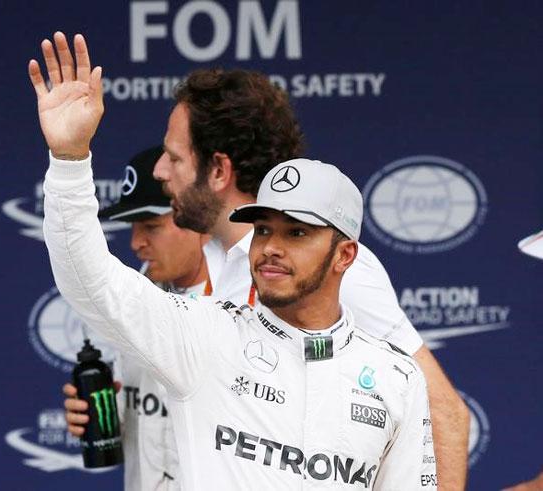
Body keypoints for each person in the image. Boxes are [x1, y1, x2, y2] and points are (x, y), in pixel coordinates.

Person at [29, 32, 467, 488]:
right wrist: (68, 158)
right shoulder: (203, 276)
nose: (159, 171)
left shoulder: (340, 281)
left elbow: (445, 414)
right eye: (262, 231)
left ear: (218, 170)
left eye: (174, 158)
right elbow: (95, 285)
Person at [62, 145, 209, 490]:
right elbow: (152, 420)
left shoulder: (247, 305)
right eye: (132, 226)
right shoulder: (136, 299)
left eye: (151, 226)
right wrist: (105, 414)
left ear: (198, 217)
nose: (136, 242)